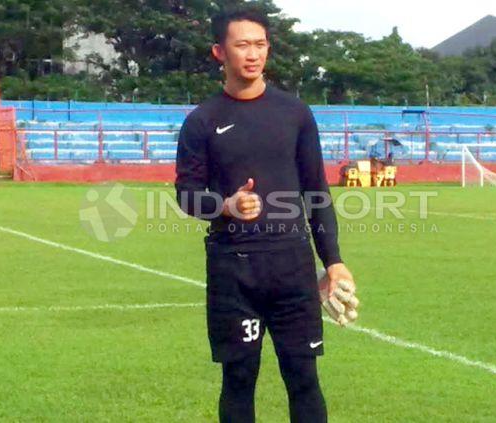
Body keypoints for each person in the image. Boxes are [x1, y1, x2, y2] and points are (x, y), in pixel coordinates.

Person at [175, 6, 355, 423]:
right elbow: (185, 195)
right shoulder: (202, 121)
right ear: (220, 52)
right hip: (233, 271)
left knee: (304, 377)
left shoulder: (294, 113)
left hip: (292, 267)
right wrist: (225, 206)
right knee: (238, 379)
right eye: (242, 45)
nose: (252, 54)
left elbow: (317, 192)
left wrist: (334, 262)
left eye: (259, 45)